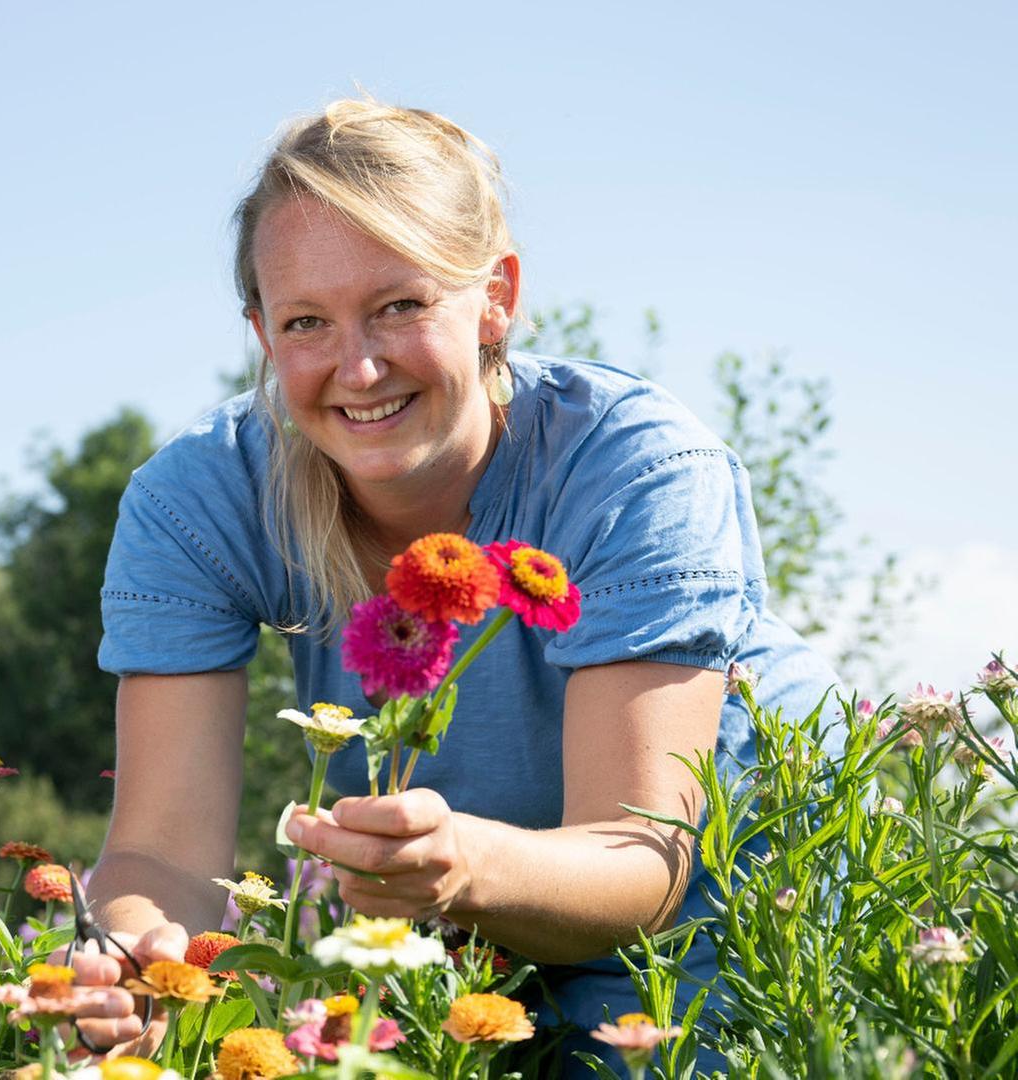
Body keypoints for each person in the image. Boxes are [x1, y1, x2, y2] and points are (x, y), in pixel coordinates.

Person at [62, 98, 841, 1071]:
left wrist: (461, 862)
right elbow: (162, 853)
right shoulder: (196, 501)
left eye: (401, 304)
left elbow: (635, 861)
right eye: (308, 321)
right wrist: (140, 946)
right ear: (261, 333)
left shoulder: (634, 468)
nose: (360, 365)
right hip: (453, 882)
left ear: (497, 296)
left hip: (715, 885)